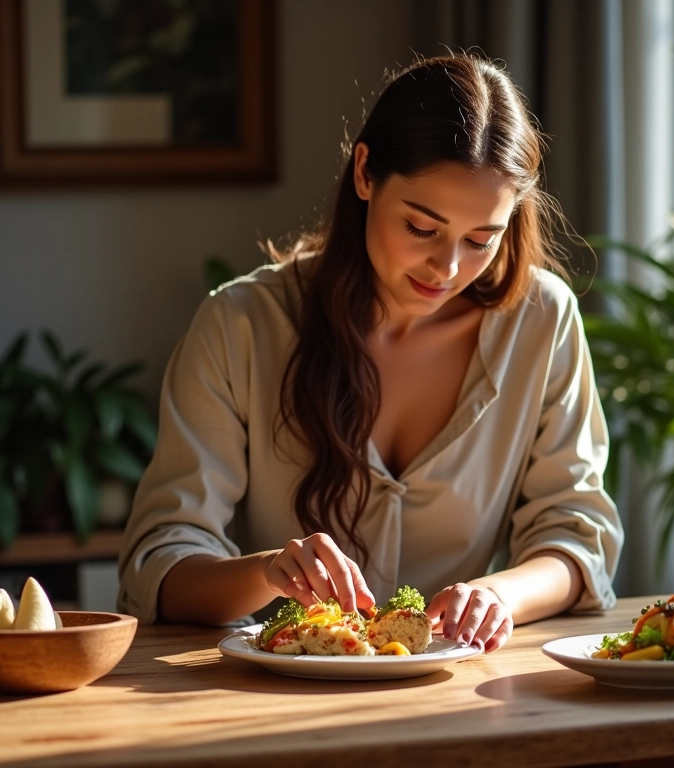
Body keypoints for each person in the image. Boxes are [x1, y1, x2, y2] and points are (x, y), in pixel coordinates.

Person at [117, 52, 623, 654]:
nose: (448, 267)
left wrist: (498, 596)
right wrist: (268, 572)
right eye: (421, 228)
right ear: (364, 174)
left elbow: (577, 535)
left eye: (482, 239)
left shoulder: (541, 319)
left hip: (461, 693)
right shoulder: (241, 324)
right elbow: (160, 562)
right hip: (279, 698)